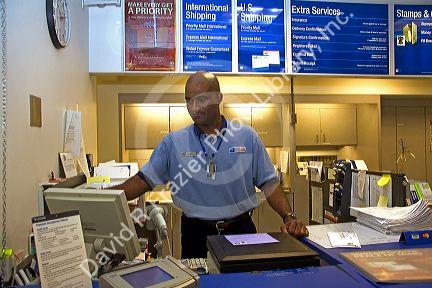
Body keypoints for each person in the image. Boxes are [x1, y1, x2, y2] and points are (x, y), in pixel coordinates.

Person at [114, 71, 308, 258]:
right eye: (189, 100)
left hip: (240, 230)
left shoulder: (246, 137)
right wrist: (102, 196)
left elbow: (269, 183)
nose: (194, 107)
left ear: (218, 98)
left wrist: (288, 216)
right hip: (195, 234)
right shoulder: (174, 142)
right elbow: (142, 181)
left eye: (202, 99)